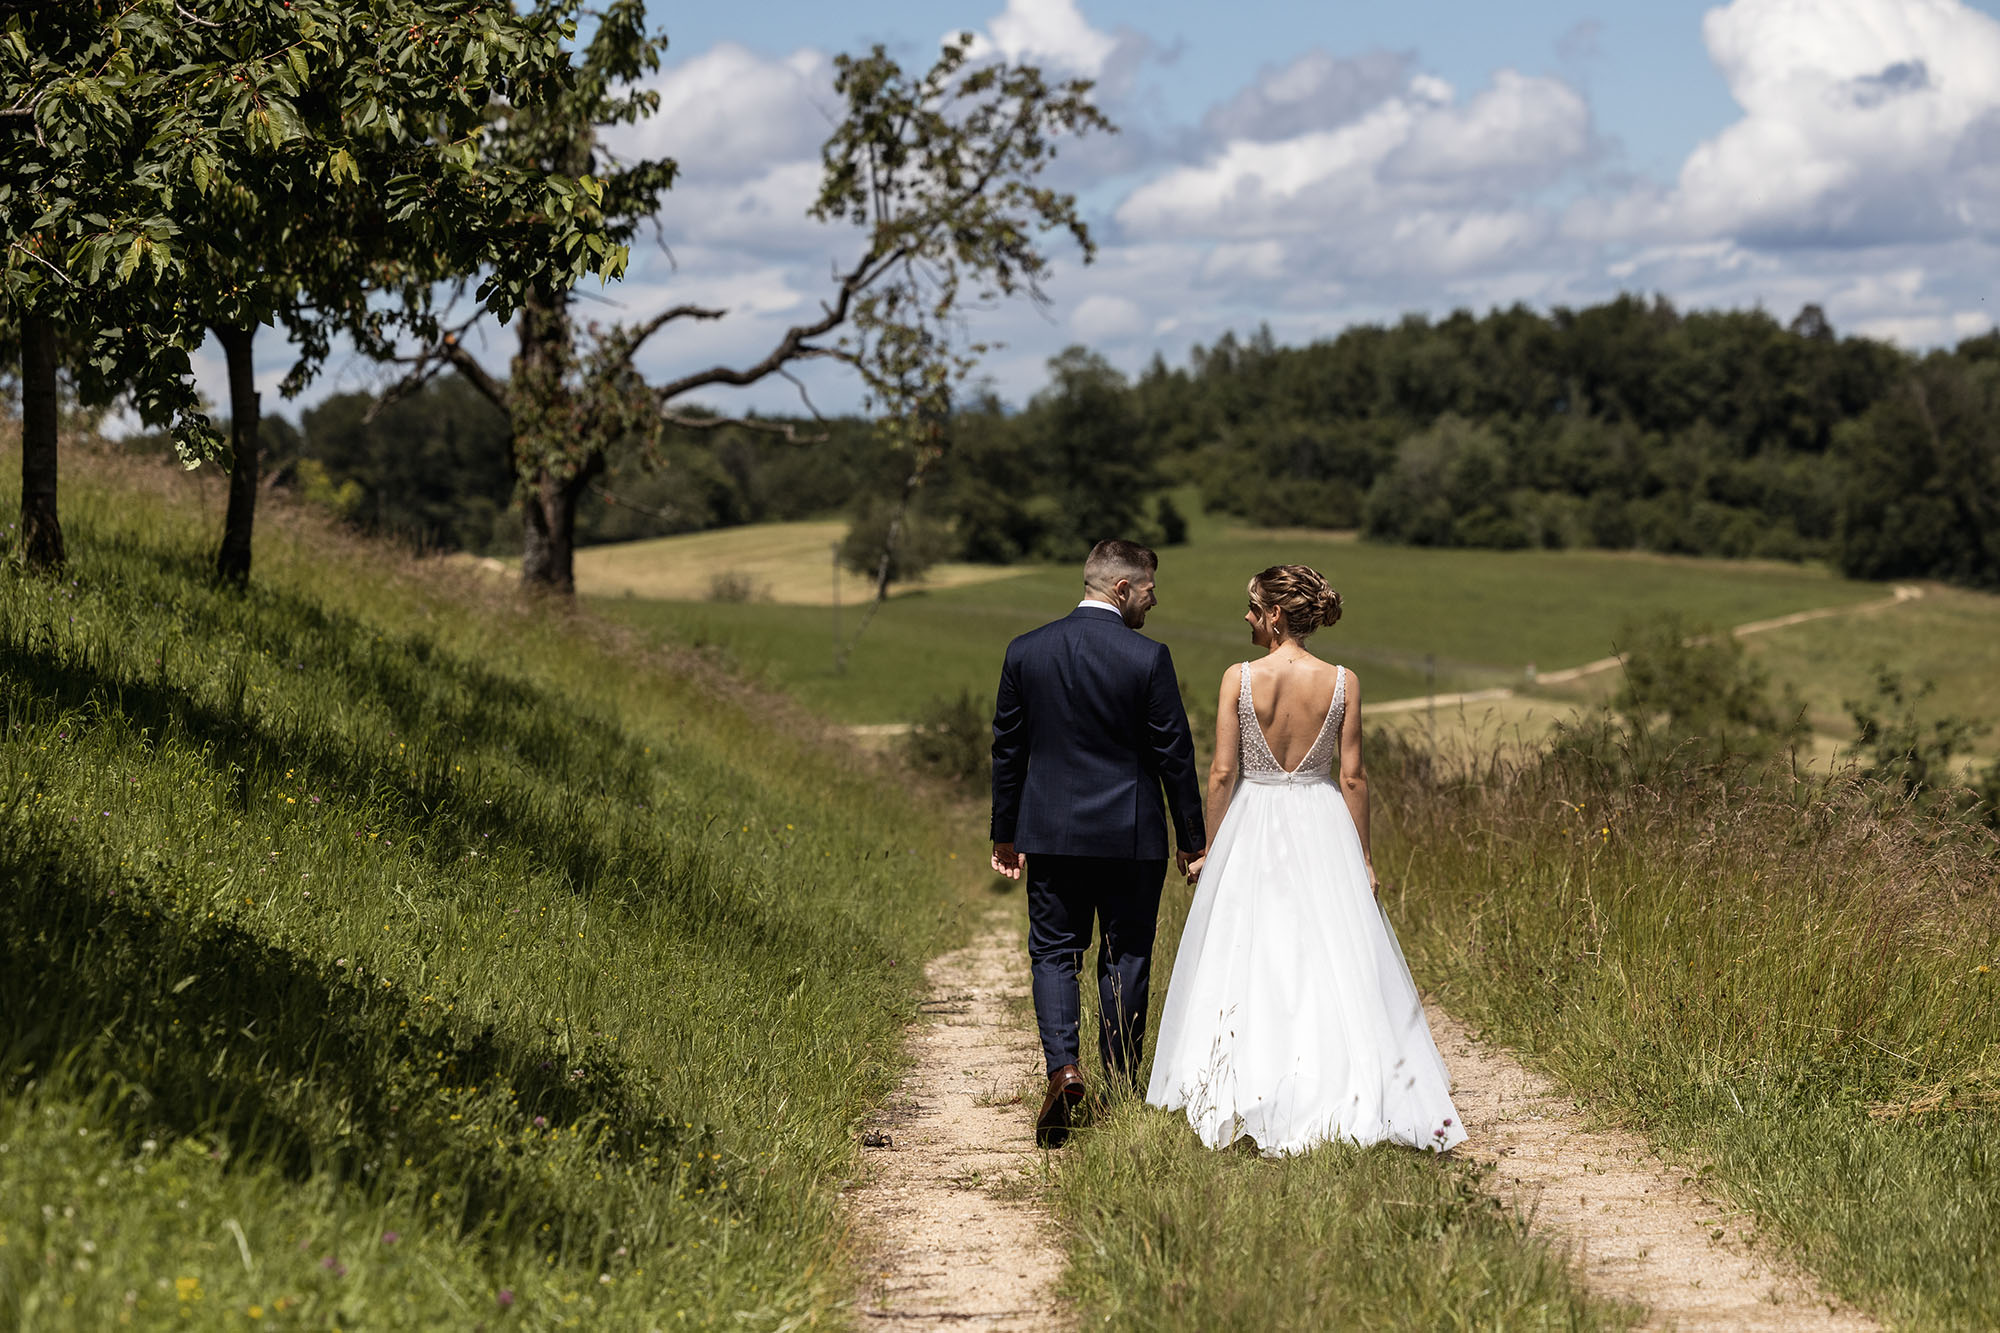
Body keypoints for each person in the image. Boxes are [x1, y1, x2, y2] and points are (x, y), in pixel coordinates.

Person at [1146, 563, 1465, 1155]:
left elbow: (1221, 772)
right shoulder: (1343, 682)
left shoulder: (1238, 678)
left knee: (1253, 951)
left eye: (1252, 606)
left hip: (1254, 823)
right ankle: (1334, 1082)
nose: (1245, 616)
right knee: (1328, 954)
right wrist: (1363, 856)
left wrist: (1211, 849)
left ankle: (1243, 1082)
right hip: (1322, 824)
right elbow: (1353, 777)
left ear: (1275, 615)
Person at [990, 539, 1206, 1148]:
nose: (1152, 603)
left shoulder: (1025, 651)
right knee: (1126, 954)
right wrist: (1192, 839)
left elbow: (1008, 750)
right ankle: (1115, 1084)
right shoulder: (1148, 658)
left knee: (1055, 952)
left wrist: (1005, 832)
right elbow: (1174, 754)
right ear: (1121, 589)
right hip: (1130, 834)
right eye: (1148, 591)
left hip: (1050, 832)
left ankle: (1064, 1070)